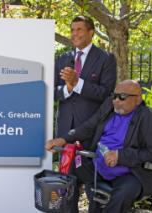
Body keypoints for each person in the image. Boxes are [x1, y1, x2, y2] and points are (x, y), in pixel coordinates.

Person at [47, 80, 152, 213]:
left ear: (138, 99)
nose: (116, 100)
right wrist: (63, 139)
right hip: (98, 164)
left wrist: (120, 155)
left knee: (122, 194)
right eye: (114, 95)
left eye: (122, 96)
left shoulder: (150, 118)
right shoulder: (109, 108)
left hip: (131, 172)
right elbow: (88, 127)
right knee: (72, 169)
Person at [54, 15, 117, 212]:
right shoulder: (63, 59)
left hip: (92, 130)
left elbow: (106, 94)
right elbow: (53, 91)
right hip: (66, 130)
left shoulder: (106, 59)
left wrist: (78, 83)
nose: (75, 34)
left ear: (91, 32)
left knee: (92, 184)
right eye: (72, 30)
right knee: (67, 183)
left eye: (79, 30)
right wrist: (68, 88)